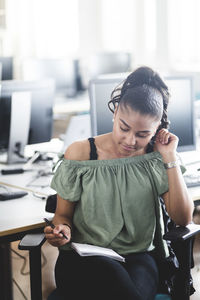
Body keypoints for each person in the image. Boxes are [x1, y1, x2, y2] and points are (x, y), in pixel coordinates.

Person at [44, 66, 194, 300]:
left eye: (143, 134)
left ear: (158, 129)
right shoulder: (81, 153)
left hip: (138, 258)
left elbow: (183, 218)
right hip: (83, 258)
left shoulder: (156, 158)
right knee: (115, 280)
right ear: (114, 113)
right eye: (124, 127)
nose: (130, 140)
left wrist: (170, 157)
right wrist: (62, 229)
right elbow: (62, 216)